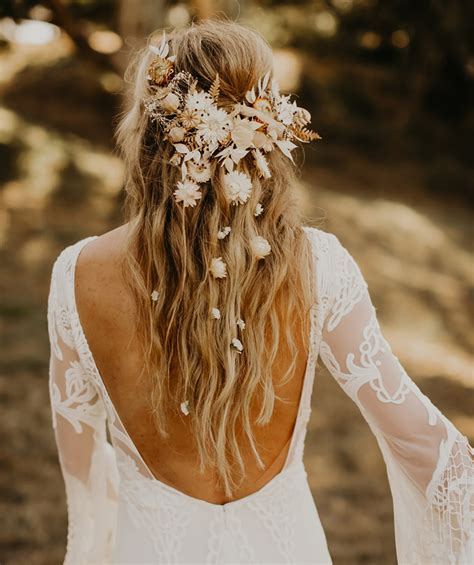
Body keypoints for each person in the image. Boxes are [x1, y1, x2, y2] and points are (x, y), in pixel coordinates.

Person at [47, 18, 473, 564]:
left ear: (146, 133)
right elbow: (424, 446)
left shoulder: (77, 274)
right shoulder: (318, 266)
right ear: (267, 130)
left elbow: (83, 476)